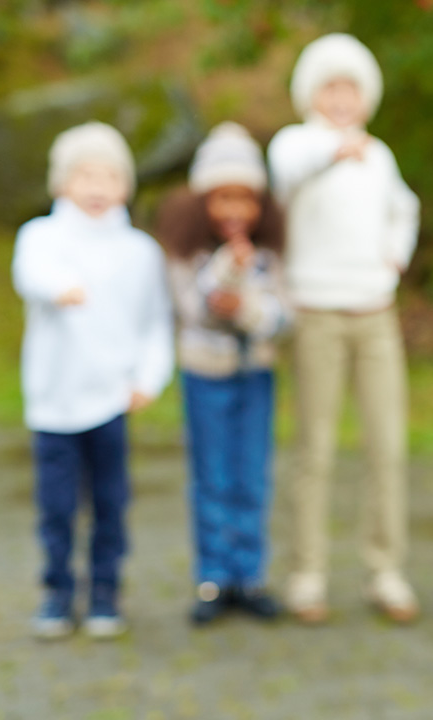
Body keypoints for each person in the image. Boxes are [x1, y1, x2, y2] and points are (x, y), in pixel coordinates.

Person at [267, 33, 421, 624]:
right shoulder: (296, 144)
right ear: (311, 92)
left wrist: (395, 255)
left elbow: (403, 208)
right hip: (316, 314)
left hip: (374, 313)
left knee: (387, 445)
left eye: (350, 87)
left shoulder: (378, 154)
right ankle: (307, 574)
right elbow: (283, 175)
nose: (340, 98)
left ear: (366, 95)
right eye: (330, 86)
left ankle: (386, 570)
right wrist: (334, 150)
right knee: (318, 448)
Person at [13, 121, 174, 640]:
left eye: (108, 175)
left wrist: (148, 378)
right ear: (63, 183)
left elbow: (155, 322)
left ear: (125, 185)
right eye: (84, 175)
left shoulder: (139, 251)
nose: (96, 187)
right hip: (54, 404)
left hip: (110, 400)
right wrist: (62, 287)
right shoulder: (41, 237)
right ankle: (58, 592)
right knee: (56, 507)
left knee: (110, 503)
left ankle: (105, 591)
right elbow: (30, 274)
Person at [156, 122, 291, 626]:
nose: (235, 211)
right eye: (222, 198)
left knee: (251, 475)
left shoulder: (271, 252)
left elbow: (281, 316)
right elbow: (197, 309)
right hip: (204, 374)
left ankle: (249, 574)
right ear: (202, 201)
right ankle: (213, 576)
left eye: (246, 199)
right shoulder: (185, 252)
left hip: (255, 373)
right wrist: (230, 276)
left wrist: (251, 310)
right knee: (211, 476)